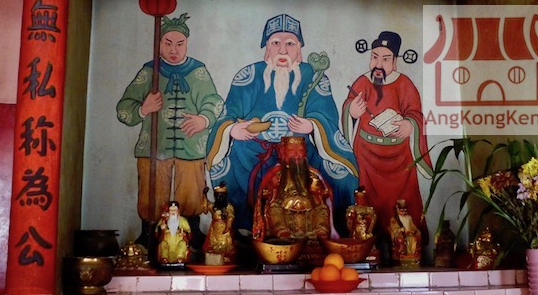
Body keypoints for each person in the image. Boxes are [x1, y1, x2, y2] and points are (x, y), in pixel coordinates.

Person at [206, 13, 359, 233]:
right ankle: (244, 229)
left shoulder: (314, 76)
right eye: (276, 43)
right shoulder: (249, 75)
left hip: (304, 152)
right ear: (267, 48)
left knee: (341, 171)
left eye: (290, 44)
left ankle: (331, 229)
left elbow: (326, 116)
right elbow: (229, 113)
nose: (283, 51)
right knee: (224, 164)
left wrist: (312, 126)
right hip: (255, 152)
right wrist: (232, 129)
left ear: (299, 49)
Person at [116, 13, 224, 241]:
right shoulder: (149, 72)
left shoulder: (198, 71)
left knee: (192, 193)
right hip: (154, 147)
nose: (174, 49)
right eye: (168, 43)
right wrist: (143, 108)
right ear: (159, 45)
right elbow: (123, 108)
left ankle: (191, 235)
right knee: (152, 195)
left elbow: (214, 102)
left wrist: (203, 120)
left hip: (191, 147)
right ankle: (150, 235)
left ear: (186, 44)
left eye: (179, 44)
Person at [342, 31, 431, 234]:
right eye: (374, 57)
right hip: (366, 157)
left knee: (404, 208)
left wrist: (409, 124)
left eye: (385, 59)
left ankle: (406, 243)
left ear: (395, 61)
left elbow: (416, 114)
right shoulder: (362, 82)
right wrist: (352, 112)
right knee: (365, 207)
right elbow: (348, 107)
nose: (378, 64)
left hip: (399, 160)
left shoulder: (405, 84)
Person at [388, 199, 421, 265]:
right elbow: (394, 228)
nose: (404, 213)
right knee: (401, 239)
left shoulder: (409, 217)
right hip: (400, 234)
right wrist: (400, 229)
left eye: (405, 211)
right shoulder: (394, 219)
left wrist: (414, 230)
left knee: (415, 237)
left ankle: (412, 253)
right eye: (402, 211)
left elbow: (412, 225)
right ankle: (402, 252)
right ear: (397, 210)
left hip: (409, 233)